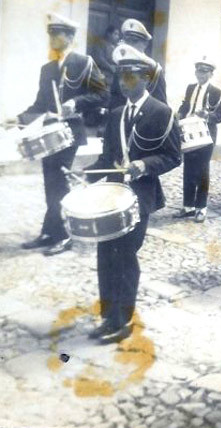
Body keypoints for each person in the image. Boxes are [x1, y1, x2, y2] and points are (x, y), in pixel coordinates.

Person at [85, 44, 181, 343]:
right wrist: (86, 176)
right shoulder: (115, 115)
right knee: (105, 254)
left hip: (139, 199)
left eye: (130, 77)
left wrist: (143, 165)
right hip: (110, 198)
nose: (124, 83)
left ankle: (123, 320)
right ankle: (107, 317)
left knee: (125, 255)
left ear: (145, 78)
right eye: (121, 77)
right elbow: (105, 159)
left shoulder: (162, 112)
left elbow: (173, 156)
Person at [17, 12, 108, 256]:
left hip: (69, 133)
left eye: (57, 34)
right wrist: (17, 119)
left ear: (69, 37)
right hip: (49, 134)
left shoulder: (84, 62)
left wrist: (76, 103)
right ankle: (50, 231)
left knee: (58, 183)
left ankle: (65, 235)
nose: (52, 38)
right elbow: (39, 105)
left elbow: (103, 95)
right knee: (51, 183)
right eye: (50, 34)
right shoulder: (47, 69)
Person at [173, 54, 221, 222]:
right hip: (188, 132)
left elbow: (220, 116)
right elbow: (186, 105)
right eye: (198, 71)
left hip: (205, 134)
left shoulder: (217, 92)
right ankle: (188, 206)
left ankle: (201, 208)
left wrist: (207, 115)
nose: (200, 75)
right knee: (188, 168)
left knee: (202, 170)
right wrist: (179, 113)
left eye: (204, 72)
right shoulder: (190, 88)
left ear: (211, 73)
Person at [108, 19, 167, 109]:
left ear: (145, 44)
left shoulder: (154, 69)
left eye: (134, 41)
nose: (129, 45)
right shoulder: (121, 65)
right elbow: (115, 100)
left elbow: (161, 104)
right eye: (127, 41)